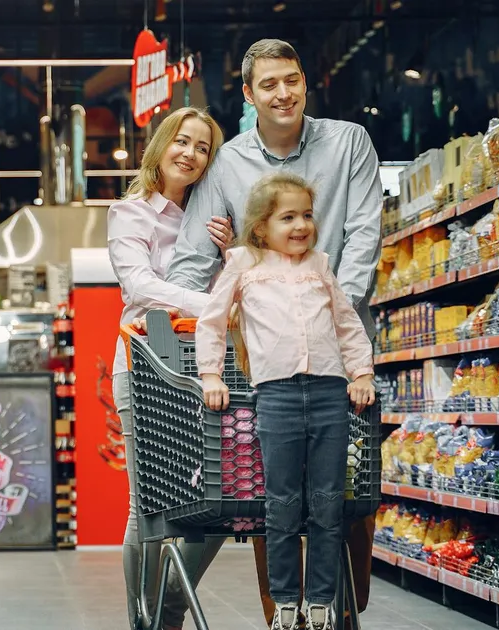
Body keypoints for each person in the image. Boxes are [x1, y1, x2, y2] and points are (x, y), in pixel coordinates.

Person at [165, 38, 383, 628]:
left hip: (342, 351)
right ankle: (283, 611)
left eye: (291, 79)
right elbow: (189, 262)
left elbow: (364, 234)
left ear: (305, 81)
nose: (282, 93)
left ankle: (342, 604)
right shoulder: (228, 163)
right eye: (269, 84)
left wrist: (326, 300)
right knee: (274, 495)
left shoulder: (348, 143)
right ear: (248, 94)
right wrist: (227, 286)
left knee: (348, 498)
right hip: (265, 362)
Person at [195, 172, 376, 630]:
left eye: (308, 215)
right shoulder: (243, 264)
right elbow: (212, 322)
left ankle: (320, 601)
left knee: (327, 501)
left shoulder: (319, 264)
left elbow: (347, 324)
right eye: (288, 217)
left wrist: (361, 372)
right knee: (281, 502)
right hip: (274, 395)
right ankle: (284, 602)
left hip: (330, 392)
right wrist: (211, 374)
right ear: (261, 227)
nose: (301, 226)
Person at [106, 106, 232, 630]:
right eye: (183, 141)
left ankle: (170, 607)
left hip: (204, 368)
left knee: (224, 497)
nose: (191, 154)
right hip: (143, 364)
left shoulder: (212, 222)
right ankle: (142, 618)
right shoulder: (130, 212)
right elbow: (140, 287)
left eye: (203, 148)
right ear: (161, 145)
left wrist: (232, 255)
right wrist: (213, 305)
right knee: (149, 505)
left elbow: (236, 285)